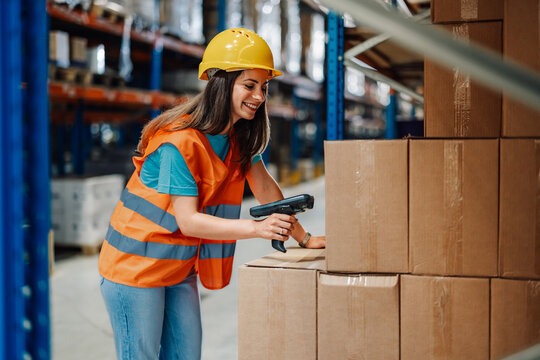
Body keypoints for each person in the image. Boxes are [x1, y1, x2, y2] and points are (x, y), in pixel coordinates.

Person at [98, 28, 326, 360]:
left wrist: (303, 238)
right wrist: (256, 229)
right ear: (221, 82)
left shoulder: (238, 139)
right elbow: (188, 222)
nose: (259, 97)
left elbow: (265, 190)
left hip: (178, 266)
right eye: (249, 86)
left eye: (264, 87)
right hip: (134, 267)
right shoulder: (179, 143)